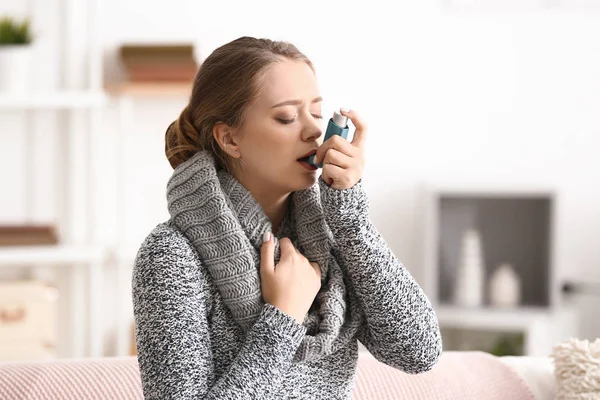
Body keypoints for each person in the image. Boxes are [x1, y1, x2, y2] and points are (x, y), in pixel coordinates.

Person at [132, 36, 442, 400]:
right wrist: (282, 318)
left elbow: (418, 352)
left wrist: (350, 219)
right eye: (287, 117)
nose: (313, 131)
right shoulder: (171, 256)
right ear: (230, 138)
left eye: (316, 112)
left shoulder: (333, 237)